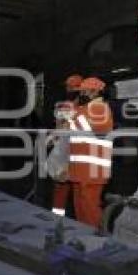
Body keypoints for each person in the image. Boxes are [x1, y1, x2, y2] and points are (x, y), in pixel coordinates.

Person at [67, 76, 114, 230]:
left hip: (92, 170)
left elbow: (97, 128)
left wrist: (74, 115)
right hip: (80, 169)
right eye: (81, 91)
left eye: (84, 91)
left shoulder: (101, 109)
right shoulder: (83, 109)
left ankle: (98, 242)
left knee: (90, 209)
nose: (81, 94)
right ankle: (85, 238)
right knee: (80, 208)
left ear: (95, 92)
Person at [49, 75, 83, 216]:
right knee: (72, 187)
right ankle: (63, 217)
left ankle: (59, 218)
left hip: (68, 152)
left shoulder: (66, 106)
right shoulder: (84, 107)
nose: (66, 89)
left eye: (68, 87)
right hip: (75, 152)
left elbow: (58, 129)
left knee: (64, 187)